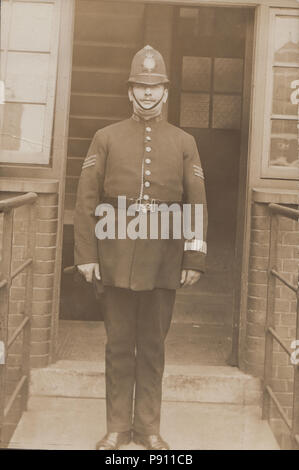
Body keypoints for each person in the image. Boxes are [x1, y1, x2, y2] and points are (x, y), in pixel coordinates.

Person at [74, 45, 208, 450]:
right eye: (140, 87)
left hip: (163, 263)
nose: (147, 94)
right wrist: (86, 255)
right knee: (118, 346)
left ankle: (148, 428)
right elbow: (85, 199)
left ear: (165, 92)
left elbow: (196, 202)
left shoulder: (184, 142)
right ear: (129, 92)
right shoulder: (106, 137)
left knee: (152, 347)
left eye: (155, 88)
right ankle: (117, 427)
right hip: (114, 259)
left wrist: (193, 257)